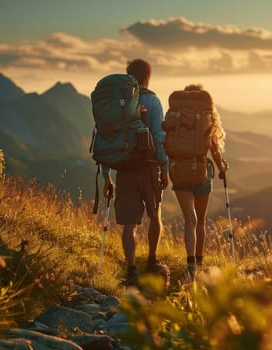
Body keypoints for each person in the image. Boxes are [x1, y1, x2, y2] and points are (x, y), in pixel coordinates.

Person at [102, 59, 169, 286]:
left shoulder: (117, 102)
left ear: (128, 75)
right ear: (148, 76)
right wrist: (165, 168)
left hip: (124, 168)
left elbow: (107, 136)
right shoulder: (152, 100)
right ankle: (152, 260)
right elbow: (159, 138)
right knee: (155, 215)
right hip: (148, 166)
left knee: (129, 225)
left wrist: (106, 175)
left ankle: (131, 271)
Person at [169, 84, 227, 280]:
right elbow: (214, 150)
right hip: (202, 171)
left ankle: (191, 265)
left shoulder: (176, 117)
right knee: (200, 221)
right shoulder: (206, 119)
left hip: (179, 171)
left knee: (189, 220)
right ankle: (199, 264)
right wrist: (221, 168)